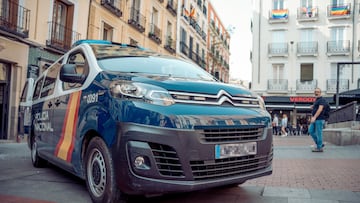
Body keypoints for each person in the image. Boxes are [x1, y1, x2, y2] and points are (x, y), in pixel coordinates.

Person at [309, 87, 327, 152]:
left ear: (320, 92)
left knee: (319, 133)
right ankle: (320, 144)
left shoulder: (322, 100)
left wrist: (314, 117)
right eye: (315, 92)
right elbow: (316, 107)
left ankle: (319, 148)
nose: (316, 93)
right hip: (315, 119)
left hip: (319, 119)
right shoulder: (317, 100)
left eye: (318, 92)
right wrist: (313, 106)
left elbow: (320, 109)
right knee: (310, 131)